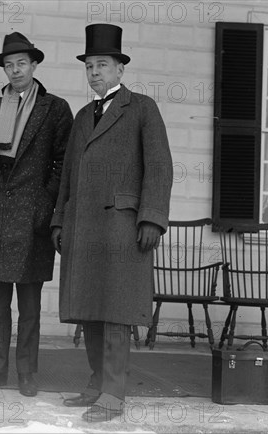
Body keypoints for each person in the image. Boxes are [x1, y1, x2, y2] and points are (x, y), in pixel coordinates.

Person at [51, 24, 173, 422]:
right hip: (83, 227)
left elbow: (159, 167)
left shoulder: (142, 108)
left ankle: (114, 394)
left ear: (120, 69)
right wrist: (58, 221)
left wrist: (152, 217)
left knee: (117, 309)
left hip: (123, 226)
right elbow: (68, 173)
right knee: (89, 308)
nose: (94, 73)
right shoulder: (84, 115)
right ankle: (96, 383)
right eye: (89, 66)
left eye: (102, 64)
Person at [0, 32, 73, 397]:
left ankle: (27, 374)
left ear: (34, 65)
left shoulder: (55, 109)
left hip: (32, 221)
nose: (15, 70)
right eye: (9, 65)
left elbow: (64, 163)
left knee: (29, 308)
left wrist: (45, 204)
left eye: (21, 63)